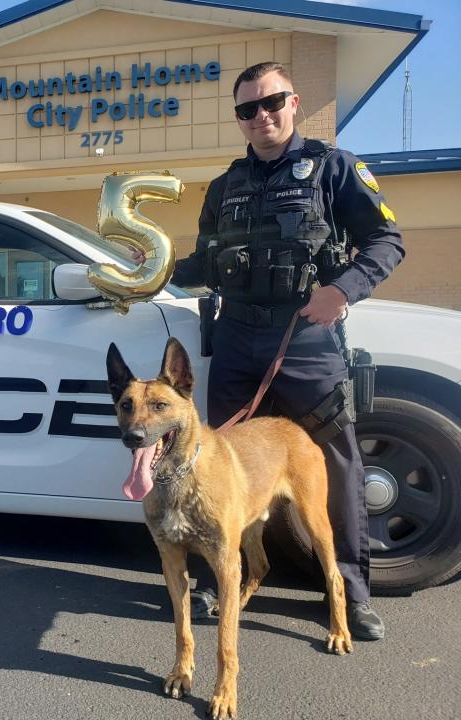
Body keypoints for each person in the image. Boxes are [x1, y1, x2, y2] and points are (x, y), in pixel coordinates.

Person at [165, 61, 405, 640]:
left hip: (305, 338)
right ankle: (217, 580)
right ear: (239, 118)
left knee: (337, 464)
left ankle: (349, 593)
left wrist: (340, 291)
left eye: (271, 103)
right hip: (236, 338)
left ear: (294, 103)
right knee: (214, 467)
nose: (261, 116)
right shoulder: (224, 187)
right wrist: (148, 270)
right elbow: (204, 263)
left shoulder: (333, 169)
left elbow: (387, 240)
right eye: (247, 109)